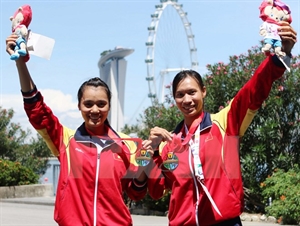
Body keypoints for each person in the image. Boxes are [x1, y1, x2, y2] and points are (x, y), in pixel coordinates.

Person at [144, 21, 297, 226]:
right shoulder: (168, 143)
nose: (187, 100)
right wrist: (153, 153)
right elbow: (156, 191)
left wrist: (280, 56)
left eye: (192, 92)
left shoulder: (224, 122)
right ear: (174, 99)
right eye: (180, 95)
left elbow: (253, 90)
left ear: (203, 92)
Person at [5, 34, 151, 226]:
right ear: (79, 106)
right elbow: (37, 109)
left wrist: (144, 167)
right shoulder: (66, 139)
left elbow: (136, 193)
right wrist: (20, 63)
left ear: (109, 106)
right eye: (88, 104)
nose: (95, 110)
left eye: (101, 104)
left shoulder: (128, 145)